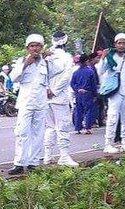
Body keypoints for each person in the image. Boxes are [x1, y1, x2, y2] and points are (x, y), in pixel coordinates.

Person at [7, 34, 49, 175]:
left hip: (41, 102)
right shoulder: (21, 61)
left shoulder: (47, 62)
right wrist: (26, 63)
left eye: (38, 45)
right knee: (22, 132)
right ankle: (19, 163)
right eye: (32, 46)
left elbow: (60, 72)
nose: (35, 48)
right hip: (26, 102)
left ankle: (33, 162)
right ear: (27, 48)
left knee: (38, 133)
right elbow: (13, 78)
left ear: (42, 47)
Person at [96, 33, 125, 153]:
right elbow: (100, 71)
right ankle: (108, 143)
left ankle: (124, 142)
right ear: (115, 44)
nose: (121, 45)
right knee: (112, 117)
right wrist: (103, 58)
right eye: (119, 43)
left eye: (124, 43)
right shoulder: (110, 56)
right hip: (114, 91)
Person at [43, 31, 78, 167]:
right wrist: (54, 91)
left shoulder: (45, 56)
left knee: (50, 127)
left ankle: (47, 156)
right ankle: (63, 156)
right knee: (62, 127)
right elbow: (66, 77)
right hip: (59, 96)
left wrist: (47, 89)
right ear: (66, 42)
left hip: (46, 97)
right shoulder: (66, 57)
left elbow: (42, 75)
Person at [71, 53, 98, 134]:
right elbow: (93, 84)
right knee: (89, 111)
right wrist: (95, 94)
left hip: (79, 94)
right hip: (88, 93)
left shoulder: (76, 72)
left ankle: (77, 128)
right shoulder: (90, 71)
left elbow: (72, 83)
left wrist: (77, 89)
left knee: (79, 110)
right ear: (86, 61)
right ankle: (87, 128)